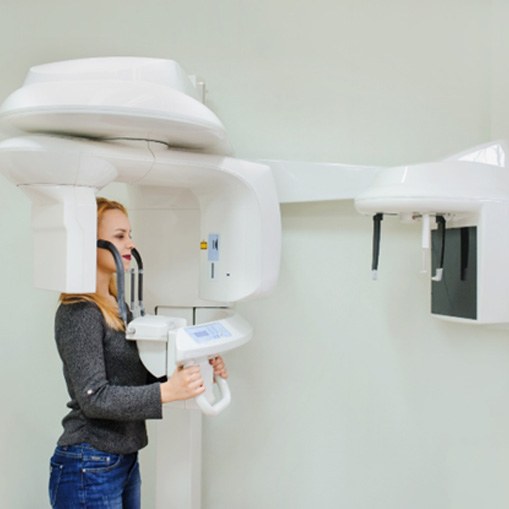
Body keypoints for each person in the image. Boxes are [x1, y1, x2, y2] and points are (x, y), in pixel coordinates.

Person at [48, 197, 228, 508]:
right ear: (88, 244)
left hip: (122, 460)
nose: (131, 243)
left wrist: (195, 370)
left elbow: (135, 375)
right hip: (88, 462)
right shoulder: (78, 312)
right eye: (119, 236)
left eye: (129, 234)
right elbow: (94, 397)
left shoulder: (119, 308)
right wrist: (167, 392)